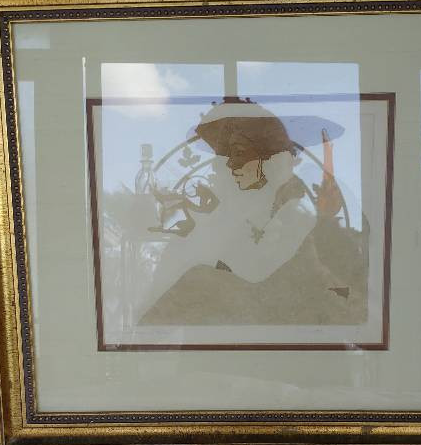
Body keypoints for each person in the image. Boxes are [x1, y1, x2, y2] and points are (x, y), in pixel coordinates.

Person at [137, 99, 368, 327]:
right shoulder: (195, 240)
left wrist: (313, 267)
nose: (227, 166)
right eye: (221, 156)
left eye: (239, 154)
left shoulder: (320, 238)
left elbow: (364, 318)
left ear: (274, 164)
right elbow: (151, 327)